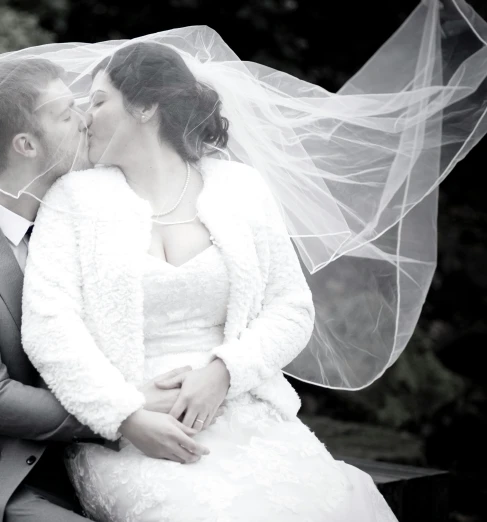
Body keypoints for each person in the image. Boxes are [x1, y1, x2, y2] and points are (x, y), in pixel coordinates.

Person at [20, 42, 400, 521]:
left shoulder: (241, 188)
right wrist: (124, 418)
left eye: (97, 101)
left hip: (247, 416)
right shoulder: (72, 199)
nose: (85, 118)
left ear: (144, 106)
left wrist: (224, 372)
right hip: (133, 436)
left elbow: (291, 307)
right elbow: (48, 326)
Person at [0, 57, 221, 522]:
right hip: (5, 480)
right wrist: (123, 411)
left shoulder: (99, 209)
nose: (85, 117)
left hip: (106, 459)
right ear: (26, 144)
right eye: (66, 113)